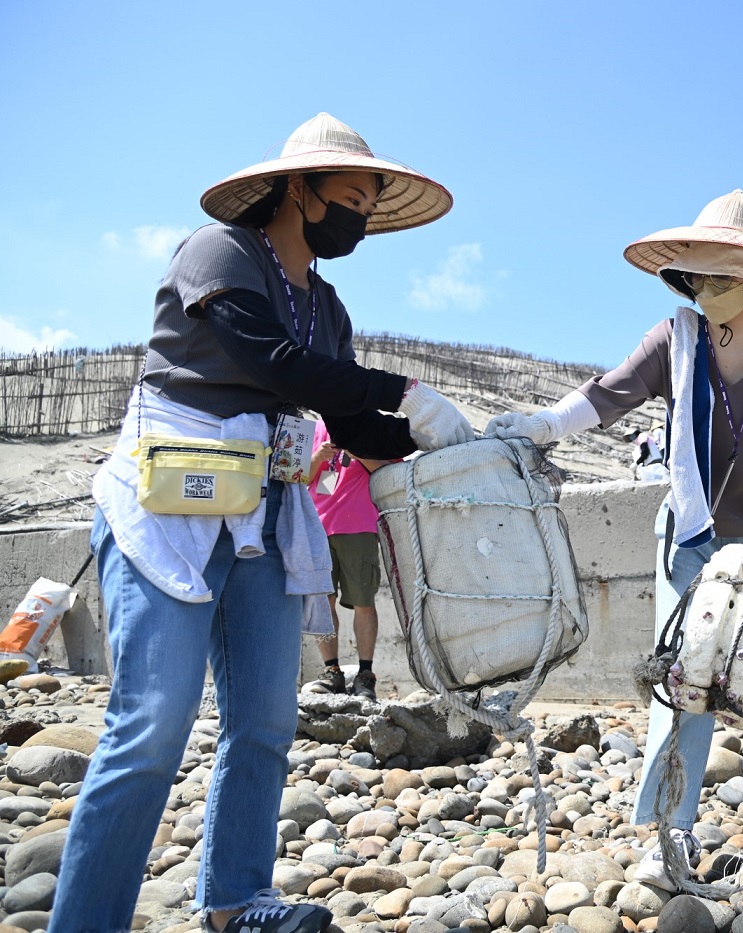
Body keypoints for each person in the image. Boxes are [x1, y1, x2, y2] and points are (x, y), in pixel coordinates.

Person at [51, 113, 471, 933]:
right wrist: (405, 388)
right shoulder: (220, 252)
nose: (356, 216)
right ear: (297, 188)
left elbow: (347, 425)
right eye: (346, 196)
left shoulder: (331, 307)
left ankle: (236, 897)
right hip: (171, 504)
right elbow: (268, 362)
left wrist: (439, 439)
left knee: (268, 720)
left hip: (269, 517)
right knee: (151, 722)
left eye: (366, 202)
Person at [485, 190, 743, 893]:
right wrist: (544, 424)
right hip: (688, 537)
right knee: (681, 682)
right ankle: (669, 826)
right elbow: (607, 393)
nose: (707, 290)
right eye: (698, 277)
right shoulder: (675, 340)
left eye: (724, 277)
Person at [307, 420, 389, 700]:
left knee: (363, 602)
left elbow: (390, 472)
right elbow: (297, 476)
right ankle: (332, 673)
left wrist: (358, 453)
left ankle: (365, 676)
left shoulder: (375, 424)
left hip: (360, 529)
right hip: (316, 528)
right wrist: (318, 457)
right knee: (322, 602)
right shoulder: (314, 428)